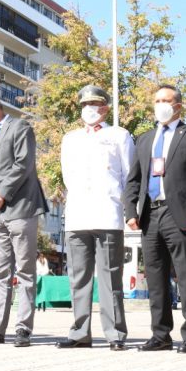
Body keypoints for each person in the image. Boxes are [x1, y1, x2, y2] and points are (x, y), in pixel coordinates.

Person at [122, 84, 186, 354]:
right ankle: (160, 334)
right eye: (157, 100)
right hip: (150, 214)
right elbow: (133, 180)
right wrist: (130, 212)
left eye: (166, 100)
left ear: (178, 106)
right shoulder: (144, 138)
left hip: (182, 216)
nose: (161, 104)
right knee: (155, 278)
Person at [56, 85, 134, 351]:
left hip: (108, 213)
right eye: (85, 104)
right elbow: (68, 176)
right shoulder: (71, 138)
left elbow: (128, 174)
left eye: (95, 103)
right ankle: (79, 333)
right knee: (78, 277)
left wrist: (122, 206)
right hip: (78, 215)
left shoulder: (119, 135)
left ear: (106, 107)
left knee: (110, 278)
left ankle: (115, 334)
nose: (89, 108)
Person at [0, 95, 47, 348]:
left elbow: (23, 164)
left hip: (21, 208)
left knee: (25, 271)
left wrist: (2, 192)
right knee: (0, 272)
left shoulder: (21, 128)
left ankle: (23, 328)